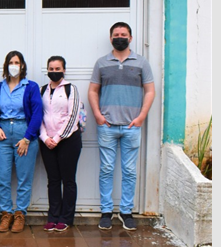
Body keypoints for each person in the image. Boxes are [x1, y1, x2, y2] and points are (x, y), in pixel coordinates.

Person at [88, 22, 155, 231]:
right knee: (106, 169)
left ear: (130, 38)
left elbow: (150, 91)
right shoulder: (101, 63)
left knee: (129, 171)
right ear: (110, 38)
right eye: (116, 34)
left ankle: (126, 212)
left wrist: (141, 117)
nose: (120, 37)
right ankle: (106, 212)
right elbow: (92, 91)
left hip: (131, 126)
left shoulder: (142, 63)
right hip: (107, 125)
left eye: (123, 34)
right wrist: (98, 115)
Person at [0, 51, 43, 234]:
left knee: (24, 178)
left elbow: (38, 114)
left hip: (24, 134)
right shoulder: (0, 87)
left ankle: (20, 213)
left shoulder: (31, 86)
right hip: (3, 136)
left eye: (17, 62)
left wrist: (27, 138)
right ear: (6, 65)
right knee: (2, 178)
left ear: (22, 66)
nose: (14, 65)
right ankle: (6, 213)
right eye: (11, 62)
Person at [39, 56, 83, 232]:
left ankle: (66, 218)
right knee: (53, 180)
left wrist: (57, 138)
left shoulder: (71, 89)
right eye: (51, 68)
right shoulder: (42, 89)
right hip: (46, 141)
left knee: (68, 180)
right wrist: (44, 137)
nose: (54, 71)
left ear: (64, 70)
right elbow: (38, 115)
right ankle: (53, 216)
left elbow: (73, 117)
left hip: (68, 141)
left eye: (58, 68)